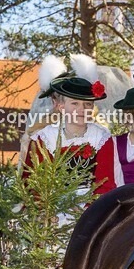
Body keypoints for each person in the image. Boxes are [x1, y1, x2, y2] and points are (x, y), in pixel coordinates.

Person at [24, 56, 110, 198]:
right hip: (53, 207)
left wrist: (91, 208)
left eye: (87, 104)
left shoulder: (101, 136)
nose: (82, 110)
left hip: (93, 206)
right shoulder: (44, 138)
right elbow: (32, 181)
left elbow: (106, 181)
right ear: (60, 106)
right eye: (75, 103)